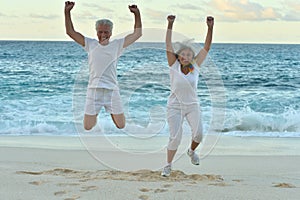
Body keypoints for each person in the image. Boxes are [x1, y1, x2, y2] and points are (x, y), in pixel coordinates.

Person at [64, 1, 142, 130]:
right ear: (96, 32)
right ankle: (97, 112)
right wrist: (67, 12)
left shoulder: (117, 45)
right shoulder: (90, 44)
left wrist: (137, 14)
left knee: (121, 125)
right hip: (94, 90)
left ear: (111, 32)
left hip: (112, 90)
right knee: (88, 127)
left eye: (106, 32)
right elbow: (70, 32)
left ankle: (110, 110)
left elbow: (137, 34)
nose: (103, 35)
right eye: (100, 32)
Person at [161, 15, 214, 177]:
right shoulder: (173, 65)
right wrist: (170, 25)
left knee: (198, 134)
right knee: (175, 138)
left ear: (192, 57)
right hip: (174, 106)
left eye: (189, 55)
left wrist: (210, 27)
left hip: (192, 106)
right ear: (178, 56)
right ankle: (168, 165)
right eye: (183, 54)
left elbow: (206, 48)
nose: (186, 57)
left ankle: (191, 151)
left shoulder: (195, 67)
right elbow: (168, 45)